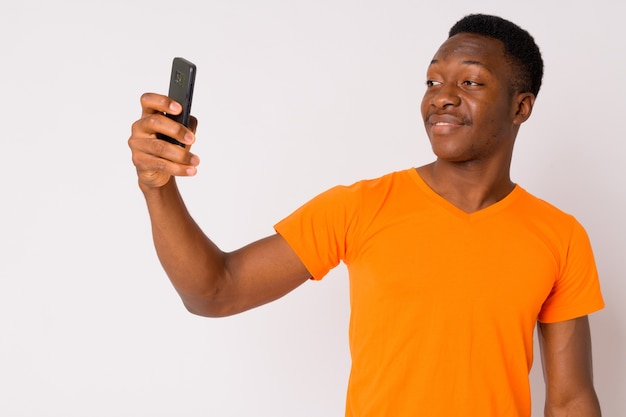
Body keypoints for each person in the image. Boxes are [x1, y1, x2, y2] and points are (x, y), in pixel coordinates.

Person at [128, 13, 604, 417]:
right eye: (433, 80)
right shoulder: (360, 206)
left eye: (471, 81)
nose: (441, 95)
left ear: (521, 107)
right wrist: (157, 187)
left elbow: (570, 401)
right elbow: (214, 292)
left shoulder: (559, 236)